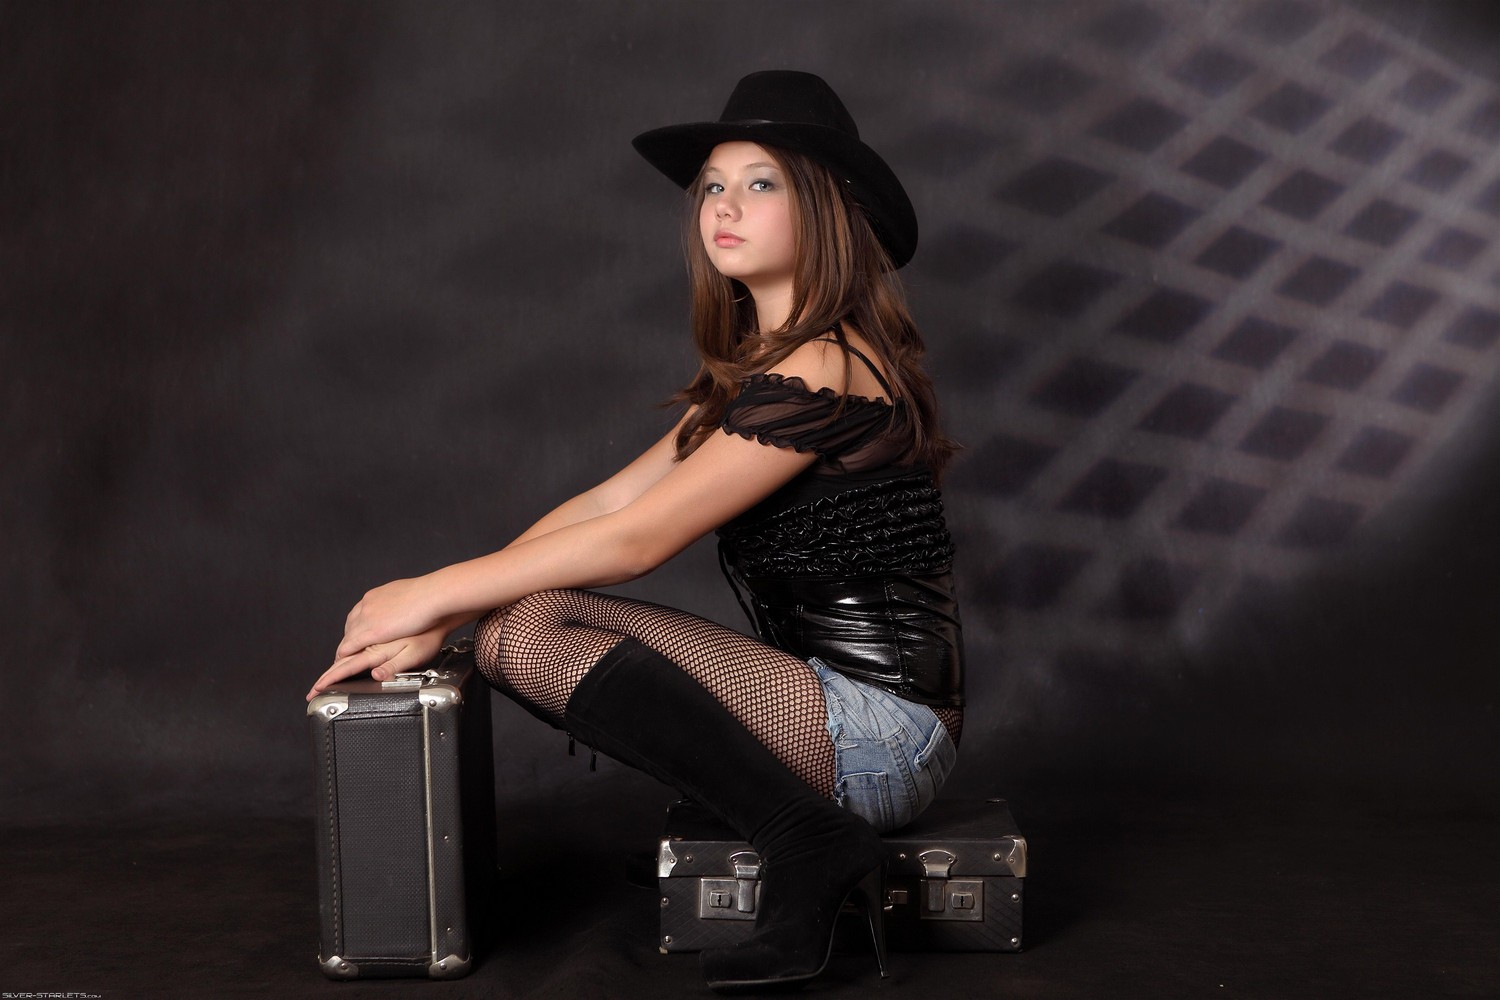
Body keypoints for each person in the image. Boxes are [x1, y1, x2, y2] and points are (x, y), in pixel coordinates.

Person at [306, 70, 964, 991]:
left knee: (523, 631)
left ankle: (806, 838)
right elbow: (609, 505)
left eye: (761, 183)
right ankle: (789, 819)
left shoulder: (828, 366)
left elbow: (636, 544)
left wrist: (429, 595)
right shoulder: (767, 377)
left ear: (827, 210)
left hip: (883, 736)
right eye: (713, 186)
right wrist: (445, 612)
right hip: (830, 711)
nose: (723, 205)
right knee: (516, 613)